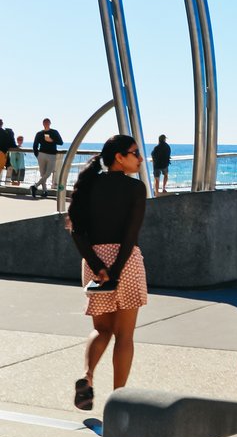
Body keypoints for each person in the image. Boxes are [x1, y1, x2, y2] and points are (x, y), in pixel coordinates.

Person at [67, 135, 149, 411]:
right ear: (119, 157)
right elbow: (130, 235)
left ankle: (87, 377)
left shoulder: (88, 184)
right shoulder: (135, 188)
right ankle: (118, 401)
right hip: (125, 264)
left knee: (101, 330)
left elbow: (77, 232)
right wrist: (115, 269)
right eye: (135, 153)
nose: (140, 158)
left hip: (93, 262)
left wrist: (97, 265)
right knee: (124, 335)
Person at [31, 118, 62, 198]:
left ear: (50, 123)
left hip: (52, 155)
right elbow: (35, 145)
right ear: (43, 124)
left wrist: (52, 140)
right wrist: (37, 155)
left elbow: (61, 142)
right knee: (42, 174)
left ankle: (35, 186)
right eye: (45, 123)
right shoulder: (39, 133)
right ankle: (45, 191)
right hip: (41, 155)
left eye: (48, 123)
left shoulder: (54, 132)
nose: (46, 124)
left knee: (48, 173)